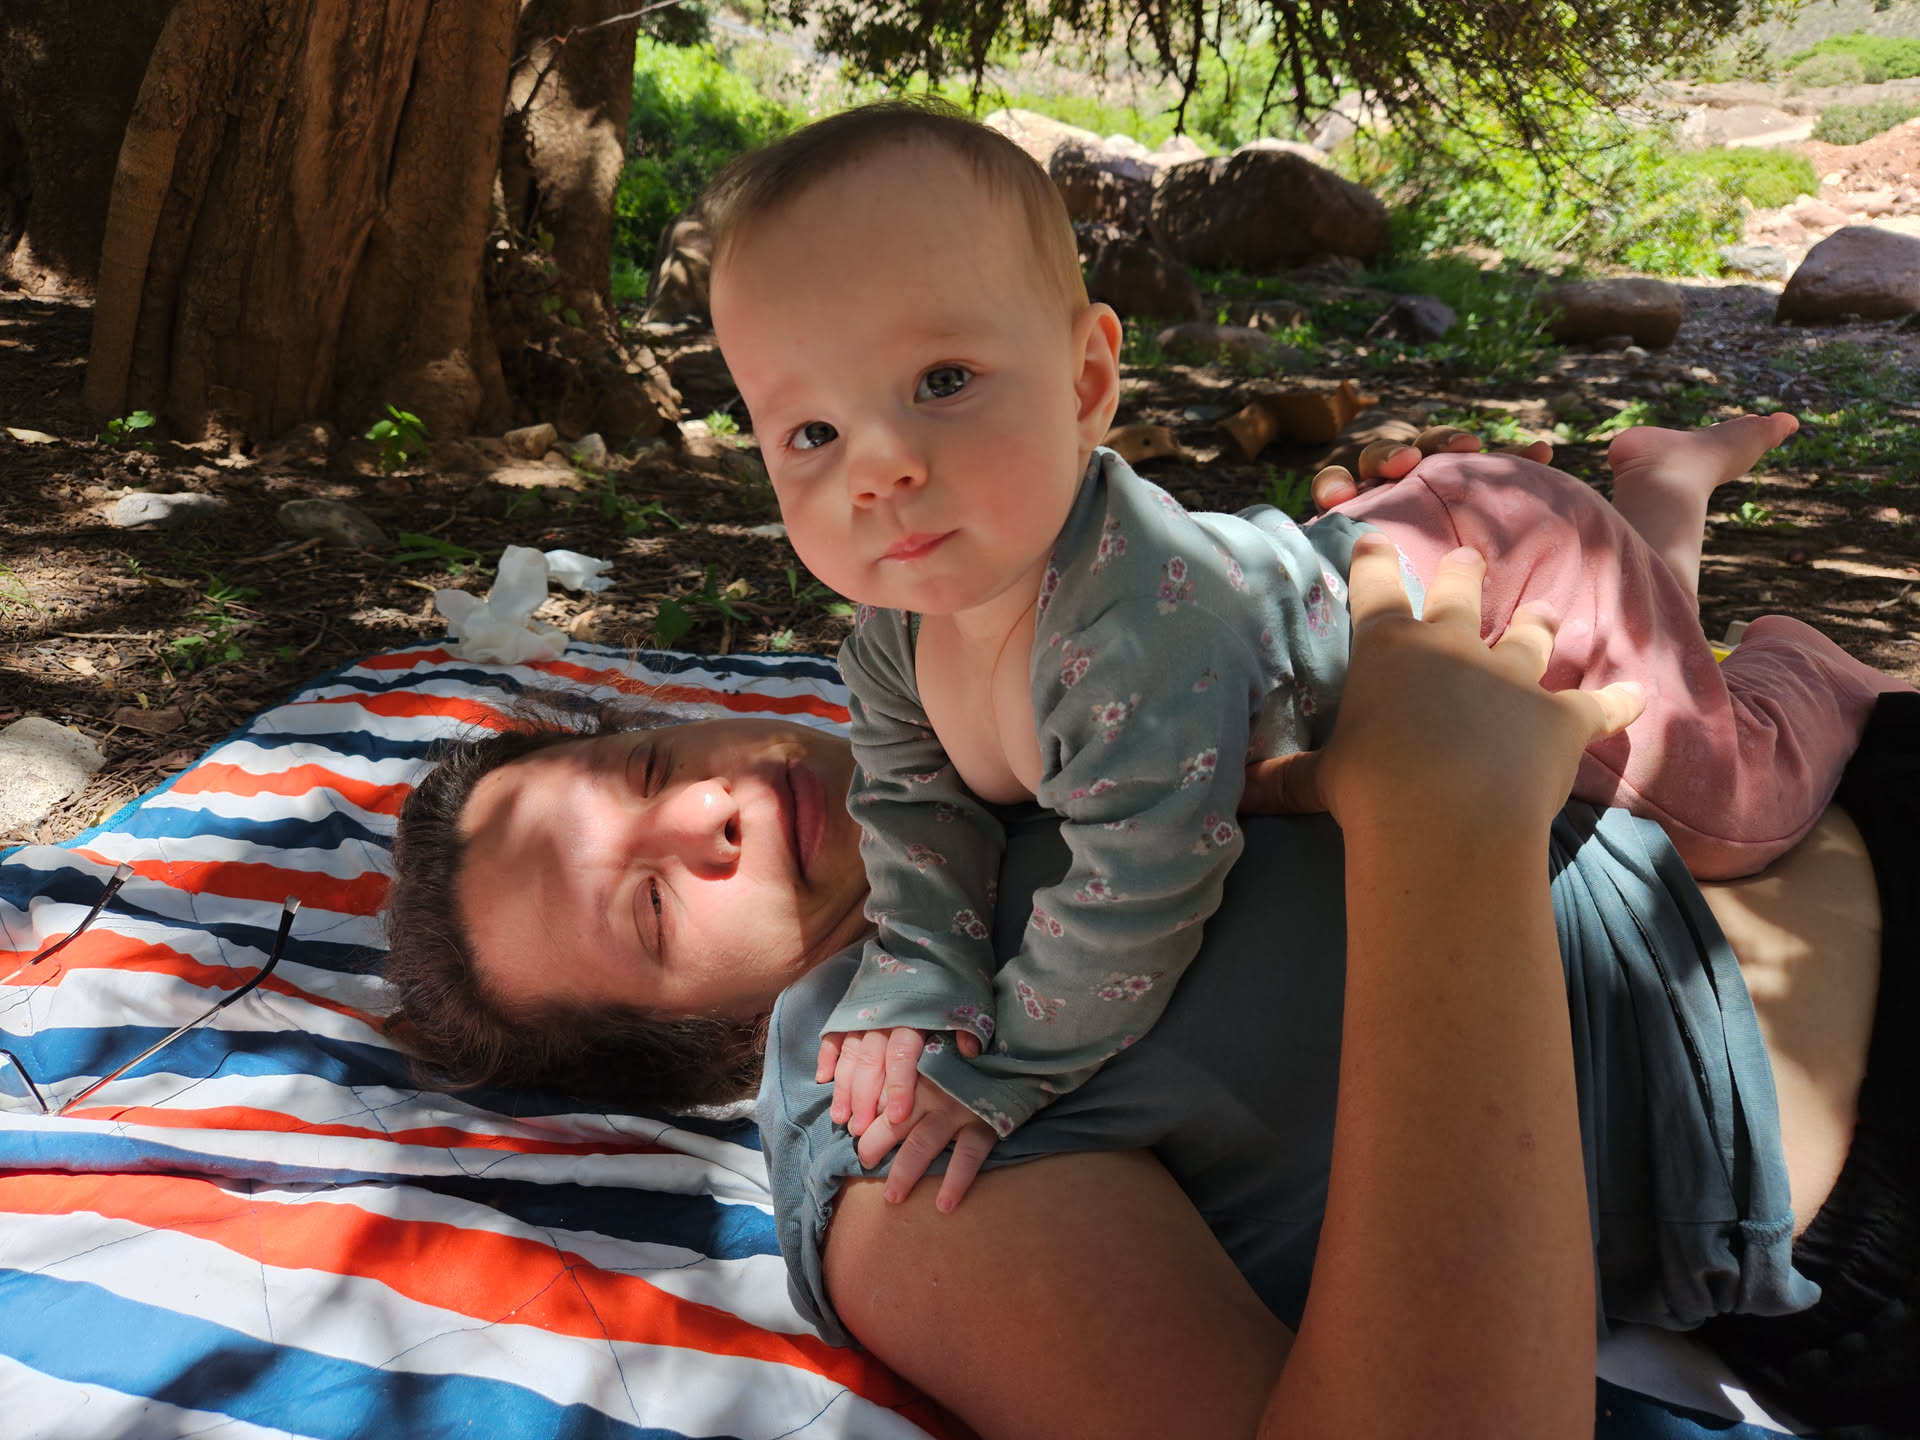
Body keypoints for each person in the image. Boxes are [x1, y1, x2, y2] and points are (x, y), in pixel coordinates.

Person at [381, 522, 1918, 1436]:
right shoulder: (887, 1126)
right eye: (653, 908)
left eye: (648, 768)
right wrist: (1443, 820)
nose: (708, 815)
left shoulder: (942, 729)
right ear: (707, 1041)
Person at [699, 99, 1907, 1202]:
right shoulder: (897, 638)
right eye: (811, 432)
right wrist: (923, 968)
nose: (879, 467)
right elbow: (915, 804)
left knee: (1724, 814)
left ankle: (1809, 667)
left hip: (1500, 576)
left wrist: (1006, 1065)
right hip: (1385, 554)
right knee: (1643, 707)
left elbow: (1139, 895)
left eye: (943, 379)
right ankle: (1663, 494)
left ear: (1086, 379)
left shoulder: (1127, 638)